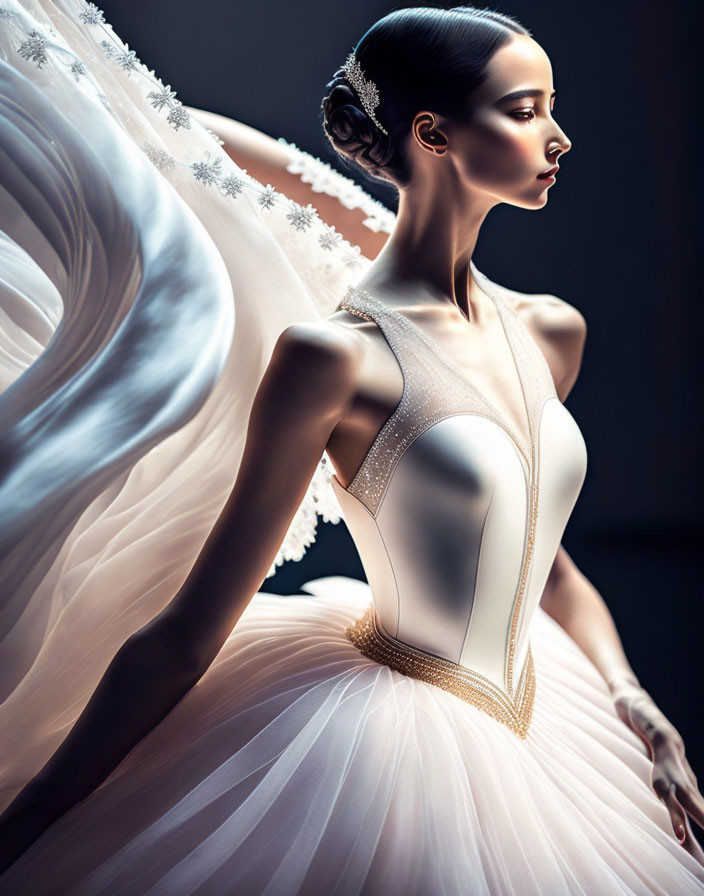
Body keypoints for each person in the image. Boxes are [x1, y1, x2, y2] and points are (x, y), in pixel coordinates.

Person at [0, 1, 702, 892]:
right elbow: (186, 635)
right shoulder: (334, 358)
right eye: (526, 111)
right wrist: (28, 821)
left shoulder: (551, 331)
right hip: (385, 752)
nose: (559, 137)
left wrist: (632, 699)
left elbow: (548, 569)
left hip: (552, 720)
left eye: (551, 108)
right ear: (433, 133)